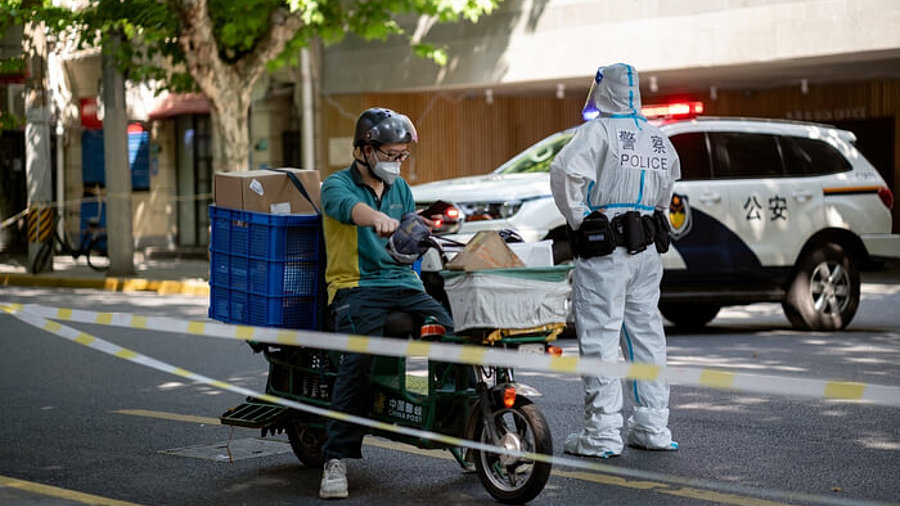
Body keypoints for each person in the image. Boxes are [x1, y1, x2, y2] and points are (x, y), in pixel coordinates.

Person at [318, 107, 454, 499]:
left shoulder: (401, 189)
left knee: (455, 330)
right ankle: (335, 460)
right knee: (358, 361)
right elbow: (348, 210)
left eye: (402, 157)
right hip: (355, 287)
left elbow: (406, 235)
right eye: (391, 156)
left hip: (402, 282)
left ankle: (452, 417)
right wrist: (374, 217)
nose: (396, 164)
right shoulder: (336, 184)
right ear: (364, 150)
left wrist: (419, 225)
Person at [549, 63, 681, 458]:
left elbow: (564, 174)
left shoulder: (596, 133)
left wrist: (579, 218)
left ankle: (603, 433)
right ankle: (652, 425)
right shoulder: (657, 139)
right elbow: (666, 191)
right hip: (646, 252)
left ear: (602, 90)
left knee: (601, 337)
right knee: (646, 336)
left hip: (605, 251)